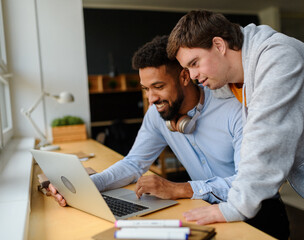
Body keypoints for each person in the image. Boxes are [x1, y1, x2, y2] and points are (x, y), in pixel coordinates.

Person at [48, 35, 290, 240]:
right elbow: (134, 163)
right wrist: (90, 184)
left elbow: (243, 183)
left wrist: (180, 189)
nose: (150, 98)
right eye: (146, 89)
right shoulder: (157, 115)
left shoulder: (234, 109)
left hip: (258, 212)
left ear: (185, 77)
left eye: (158, 86)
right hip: (206, 210)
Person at [167, 9, 304, 239]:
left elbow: (265, 140)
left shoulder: (278, 57)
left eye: (195, 63)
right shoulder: (233, 79)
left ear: (219, 45)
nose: (194, 75)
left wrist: (234, 207)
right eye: (188, 69)